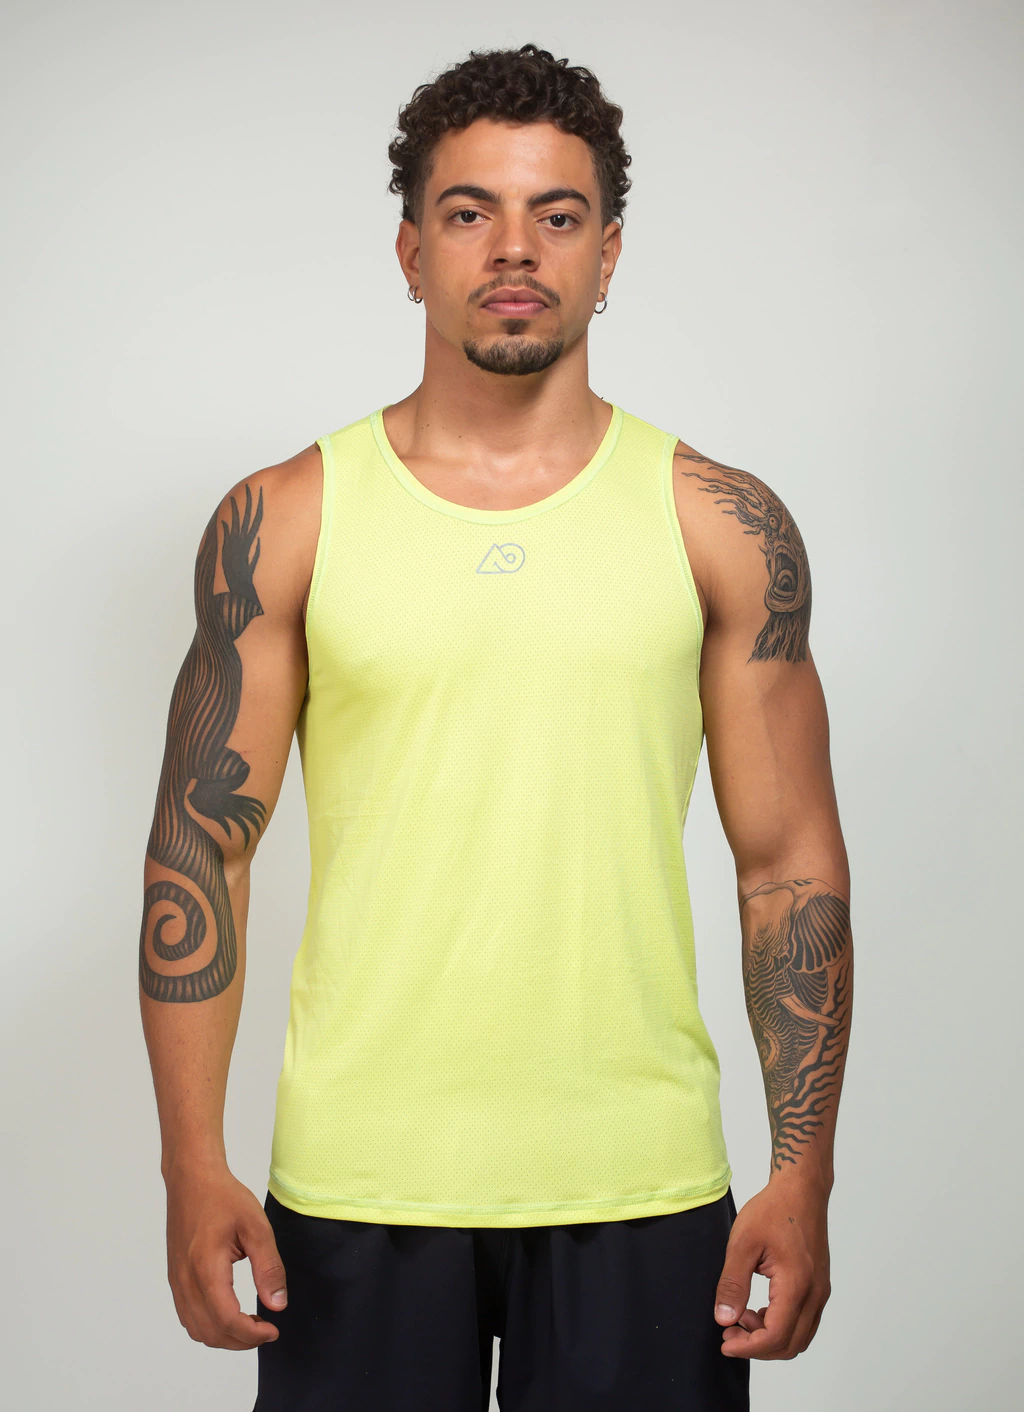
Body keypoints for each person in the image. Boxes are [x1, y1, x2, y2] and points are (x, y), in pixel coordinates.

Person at [139, 42, 853, 1412]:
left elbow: (789, 869)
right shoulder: (284, 519)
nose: (514, 247)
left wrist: (802, 1171)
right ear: (412, 251)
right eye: (470, 211)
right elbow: (200, 855)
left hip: (642, 1179)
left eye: (557, 214)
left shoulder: (719, 522)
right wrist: (190, 1164)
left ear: (609, 253)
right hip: (357, 1181)